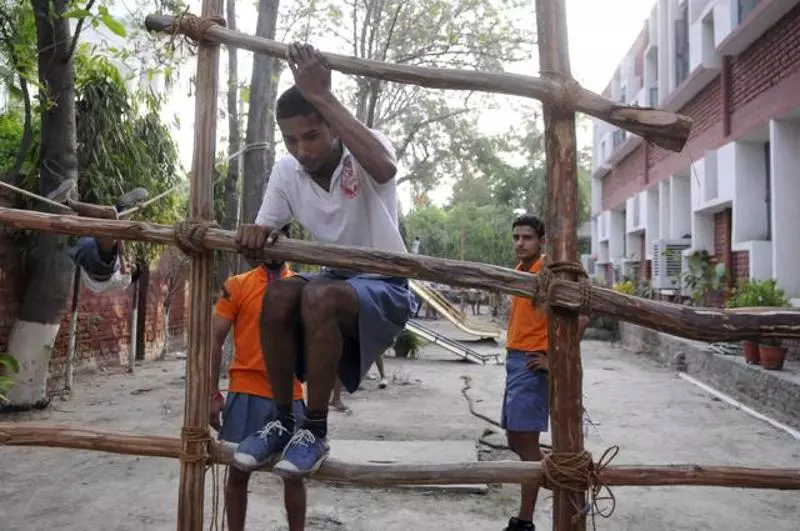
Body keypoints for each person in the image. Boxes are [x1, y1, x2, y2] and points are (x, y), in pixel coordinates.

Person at [233, 42, 416, 479]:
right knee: (277, 295)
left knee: (318, 295)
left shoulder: (364, 150)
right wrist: (256, 235)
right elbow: (266, 229)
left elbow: (385, 168)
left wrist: (322, 95)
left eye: (312, 135)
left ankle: (314, 430)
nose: (302, 149)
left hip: (386, 284)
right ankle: (281, 421)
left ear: (332, 127)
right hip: (335, 279)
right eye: (291, 140)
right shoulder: (286, 171)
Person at [210, 224, 307, 531]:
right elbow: (214, 339)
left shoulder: (304, 289)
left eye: (280, 237)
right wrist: (212, 394)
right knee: (238, 472)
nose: (274, 244)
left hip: (291, 395)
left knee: (294, 476)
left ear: (289, 241)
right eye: (269, 238)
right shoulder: (237, 285)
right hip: (246, 392)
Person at [502, 214, 590, 531]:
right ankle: (565, 483)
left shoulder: (549, 275)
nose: (520, 243)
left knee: (527, 445)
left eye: (527, 237)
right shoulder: (519, 273)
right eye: (516, 237)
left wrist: (554, 360)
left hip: (532, 364)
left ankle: (525, 521)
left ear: (541, 242)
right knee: (515, 440)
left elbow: (582, 318)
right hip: (516, 361)